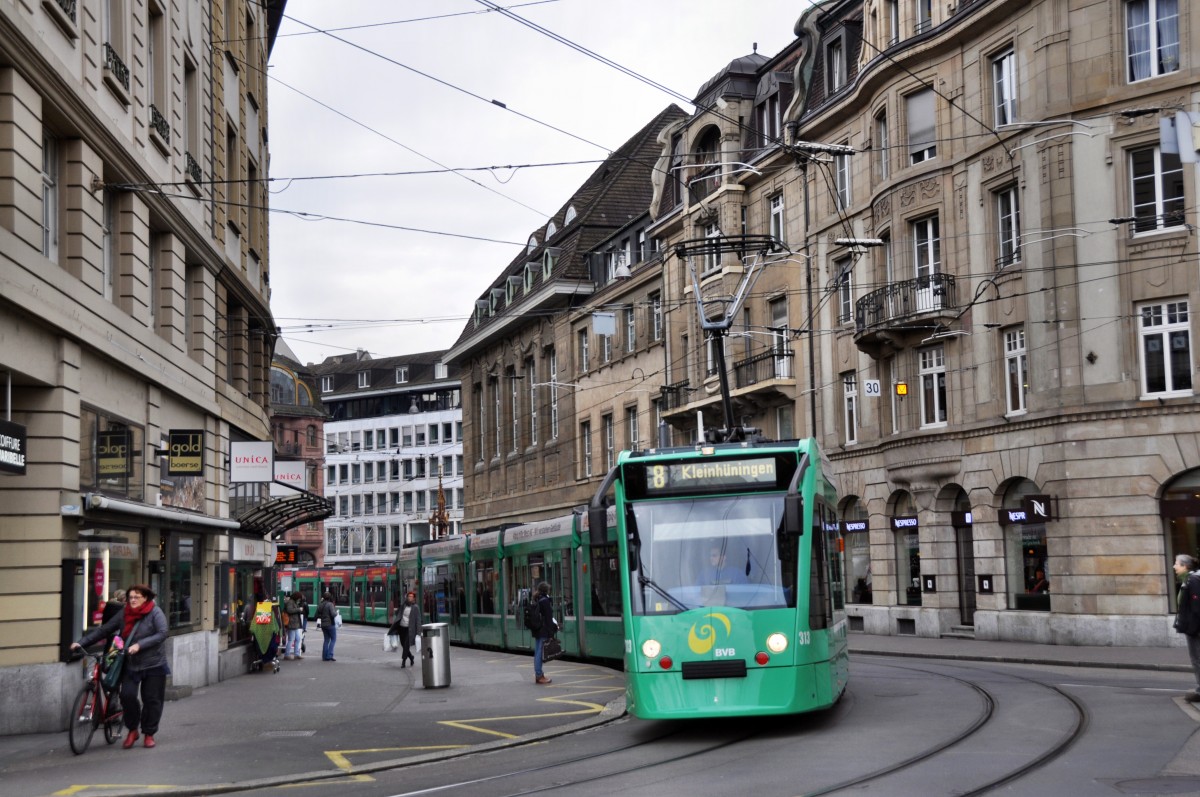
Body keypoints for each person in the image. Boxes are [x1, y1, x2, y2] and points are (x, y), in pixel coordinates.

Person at [71, 584, 169, 749]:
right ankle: (132, 729)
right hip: (131, 663)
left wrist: (139, 645)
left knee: (152, 700)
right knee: (127, 696)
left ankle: (149, 733)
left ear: (145, 598)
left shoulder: (155, 612)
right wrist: (81, 643)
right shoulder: (124, 613)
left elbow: (162, 633)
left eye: (136, 597)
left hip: (153, 663)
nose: (133, 600)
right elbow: (104, 630)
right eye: (130, 597)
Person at [1173, 554, 1200, 702]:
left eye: (1177, 563)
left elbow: (1196, 607)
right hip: (1194, 628)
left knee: (1197, 659)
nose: (1174, 566)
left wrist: (1192, 629)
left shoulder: (1192, 580)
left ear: (1185, 566)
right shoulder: (1188, 580)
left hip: (1195, 629)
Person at [389, 591, 422, 668]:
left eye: (412, 597)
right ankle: (411, 657)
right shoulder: (404, 605)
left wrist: (418, 632)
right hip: (401, 628)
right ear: (407, 597)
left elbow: (418, 620)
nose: (410, 598)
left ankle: (403, 661)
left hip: (409, 630)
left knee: (406, 645)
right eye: (409, 596)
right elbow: (397, 613)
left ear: (414, 598)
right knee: (403, 645)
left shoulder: (415, 607)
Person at [532, 582, 555, 685]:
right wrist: (551, 633)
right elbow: (548, 618)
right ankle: (539, 675)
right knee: (540, 653)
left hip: (538, 629)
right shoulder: (545, 601)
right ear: (546, 590)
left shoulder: (538, 599)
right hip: (543, 630)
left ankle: (539, 674)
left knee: (538, 651)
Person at [283, 592, 304, 660]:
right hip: (291, 623)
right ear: (296, 597)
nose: (299, 600)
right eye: (299, 598)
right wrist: (298, 609)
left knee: (298, 639)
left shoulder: (293, 602)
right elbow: (289, 610)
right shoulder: (290, 602)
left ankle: (296, 654)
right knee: (291, 639)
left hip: (295, 623)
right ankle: (287, 654)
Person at [317, 591, 338, 662]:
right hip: (330, 624)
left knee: (326, 640)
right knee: (333, 639)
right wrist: (336, 613)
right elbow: (333, 614)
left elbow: (317, 613)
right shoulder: (330, 604)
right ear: (330, 597)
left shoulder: (320, 604)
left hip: (323, 624)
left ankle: (324, 656)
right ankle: (329, 655)